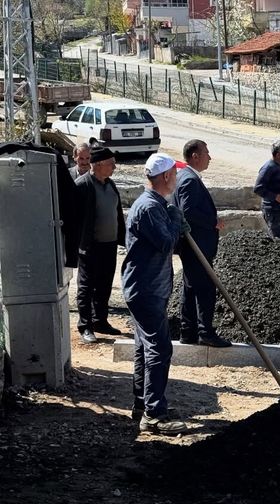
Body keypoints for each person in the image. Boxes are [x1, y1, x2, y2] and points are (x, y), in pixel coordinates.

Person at [122, 153, 187, 435]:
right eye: (175, 173)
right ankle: (154, 415)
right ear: (164, 177)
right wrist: (175, 219)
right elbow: (164, 243)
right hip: (146, 289)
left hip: (147, 287)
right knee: (160, 348)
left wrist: (172, 216)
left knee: (144, 348)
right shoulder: (150, 208)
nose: (177, 177)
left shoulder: (154, 204)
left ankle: (143, 405)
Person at [173, 139, 230, 348]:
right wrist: (213, 222)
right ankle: (205, 332)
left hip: (194, 245)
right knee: (205, 289)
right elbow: (188, 212)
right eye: (206, 153)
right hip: (196, 245)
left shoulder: (186, 177)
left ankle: (188, 332)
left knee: (190, 289)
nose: (210, 157)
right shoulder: (189, 180)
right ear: (195, 156)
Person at [74, 146, 126, 343]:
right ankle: (85, 325)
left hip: (109, 245)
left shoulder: (110, 184)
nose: (115, 167)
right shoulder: (82, 186)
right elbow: (73, 219)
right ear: (98, 165)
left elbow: (117, 214)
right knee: (86, 287)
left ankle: (100, 321)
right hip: (89, 247)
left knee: (104, 285)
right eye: (111, 164)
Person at [254, 140, 280, 240]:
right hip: (273, 211)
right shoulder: (268, 168)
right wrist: (275, 197)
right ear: (278, 154)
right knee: (278, 240)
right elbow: (258, 188)